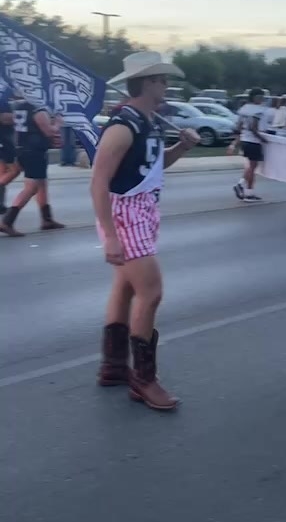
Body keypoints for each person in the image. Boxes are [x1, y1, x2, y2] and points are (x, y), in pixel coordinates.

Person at [90, 52, 199, 412]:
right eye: (162, 80)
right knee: (151, 293)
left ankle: (114, 366)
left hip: (143, 207)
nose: (167, 86)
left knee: (125, 287)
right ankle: (143, 380)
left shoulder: (148, 121)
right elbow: (98, 182)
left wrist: (181, 147)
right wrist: (110, 234)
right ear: (147, 83)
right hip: (126, 212)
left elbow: (154, 165)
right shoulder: (123, 125)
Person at [0, 99, 64, 237]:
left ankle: (46, 219)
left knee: (42, 183)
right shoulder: (38, 109)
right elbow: (49, 132)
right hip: (34, 151)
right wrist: (58, 123)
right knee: (32, 187)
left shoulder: (19, 106)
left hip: (23, 148)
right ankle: (7, 221)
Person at [230, 88, 267, 203]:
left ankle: (241, 185)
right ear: (254, 97)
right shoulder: (257, 110)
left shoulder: (243, 109)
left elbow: (239, 126)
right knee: (252, 168)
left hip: (245, 140)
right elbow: (253, 127)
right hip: (253, 141)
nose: (262, 99)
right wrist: (262, 138)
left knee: (251, 166)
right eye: (260, 97)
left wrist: (236, 141)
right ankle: (248, 192)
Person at [0, 93, 19, 214]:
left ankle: (0, 204)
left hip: (5, 138)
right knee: (14, 170)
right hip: (3, 139)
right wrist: (18, 117)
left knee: (2, 171)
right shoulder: (1, 100)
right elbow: (4, 118)